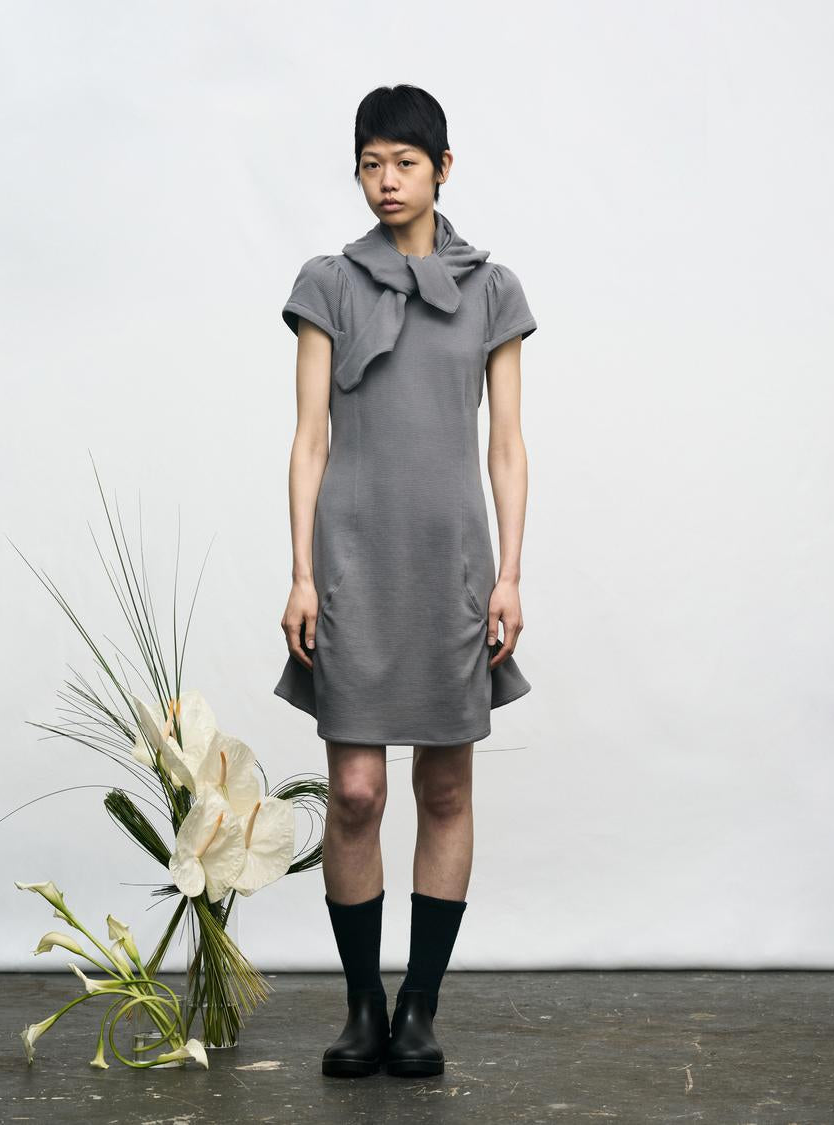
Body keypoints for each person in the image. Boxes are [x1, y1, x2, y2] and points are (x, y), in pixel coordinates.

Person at [274, 84, 537, 1078]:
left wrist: (511, 573)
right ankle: (362, 1008)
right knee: (354, 790)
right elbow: (309, 440)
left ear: (443, 169)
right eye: (371, 163)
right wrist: (301, 572)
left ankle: (420, 1008)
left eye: (406, 163)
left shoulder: (492, 288)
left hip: (452, 564)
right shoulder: (328, 283)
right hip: (351, 557)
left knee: (446, 783)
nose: (386, 181)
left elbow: (506, 444)